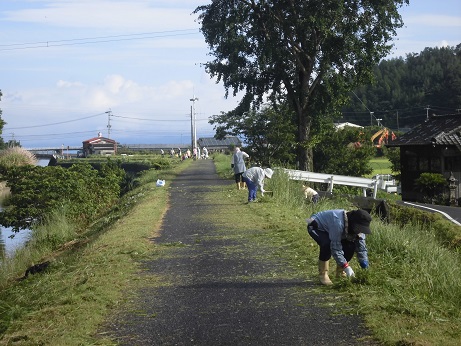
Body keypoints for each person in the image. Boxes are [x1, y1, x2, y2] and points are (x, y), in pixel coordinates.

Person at [306, 209, 371, 285]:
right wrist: (346, 266)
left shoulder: (359, 229)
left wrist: (364, 263)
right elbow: (336, 249)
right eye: (359, 228)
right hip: (316, 226)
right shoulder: (338, 223)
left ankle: (340, 272)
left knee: (350, 246)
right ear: (352, 223)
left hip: (331, 229)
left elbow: (361, 248)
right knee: (327, 244)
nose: (360, 231)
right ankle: (323, 274)